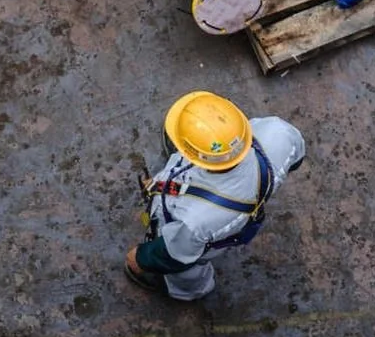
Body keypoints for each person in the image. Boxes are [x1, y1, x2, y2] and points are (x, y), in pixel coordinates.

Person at [125, 91, 306, 300]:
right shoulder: (278, 132)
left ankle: (190, 291)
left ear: (200, 158)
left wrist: (141, 258)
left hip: (196, 236)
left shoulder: (196, 221)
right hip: (233, 201)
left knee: (187, 268)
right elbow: (296, 158)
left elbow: (174, 252)